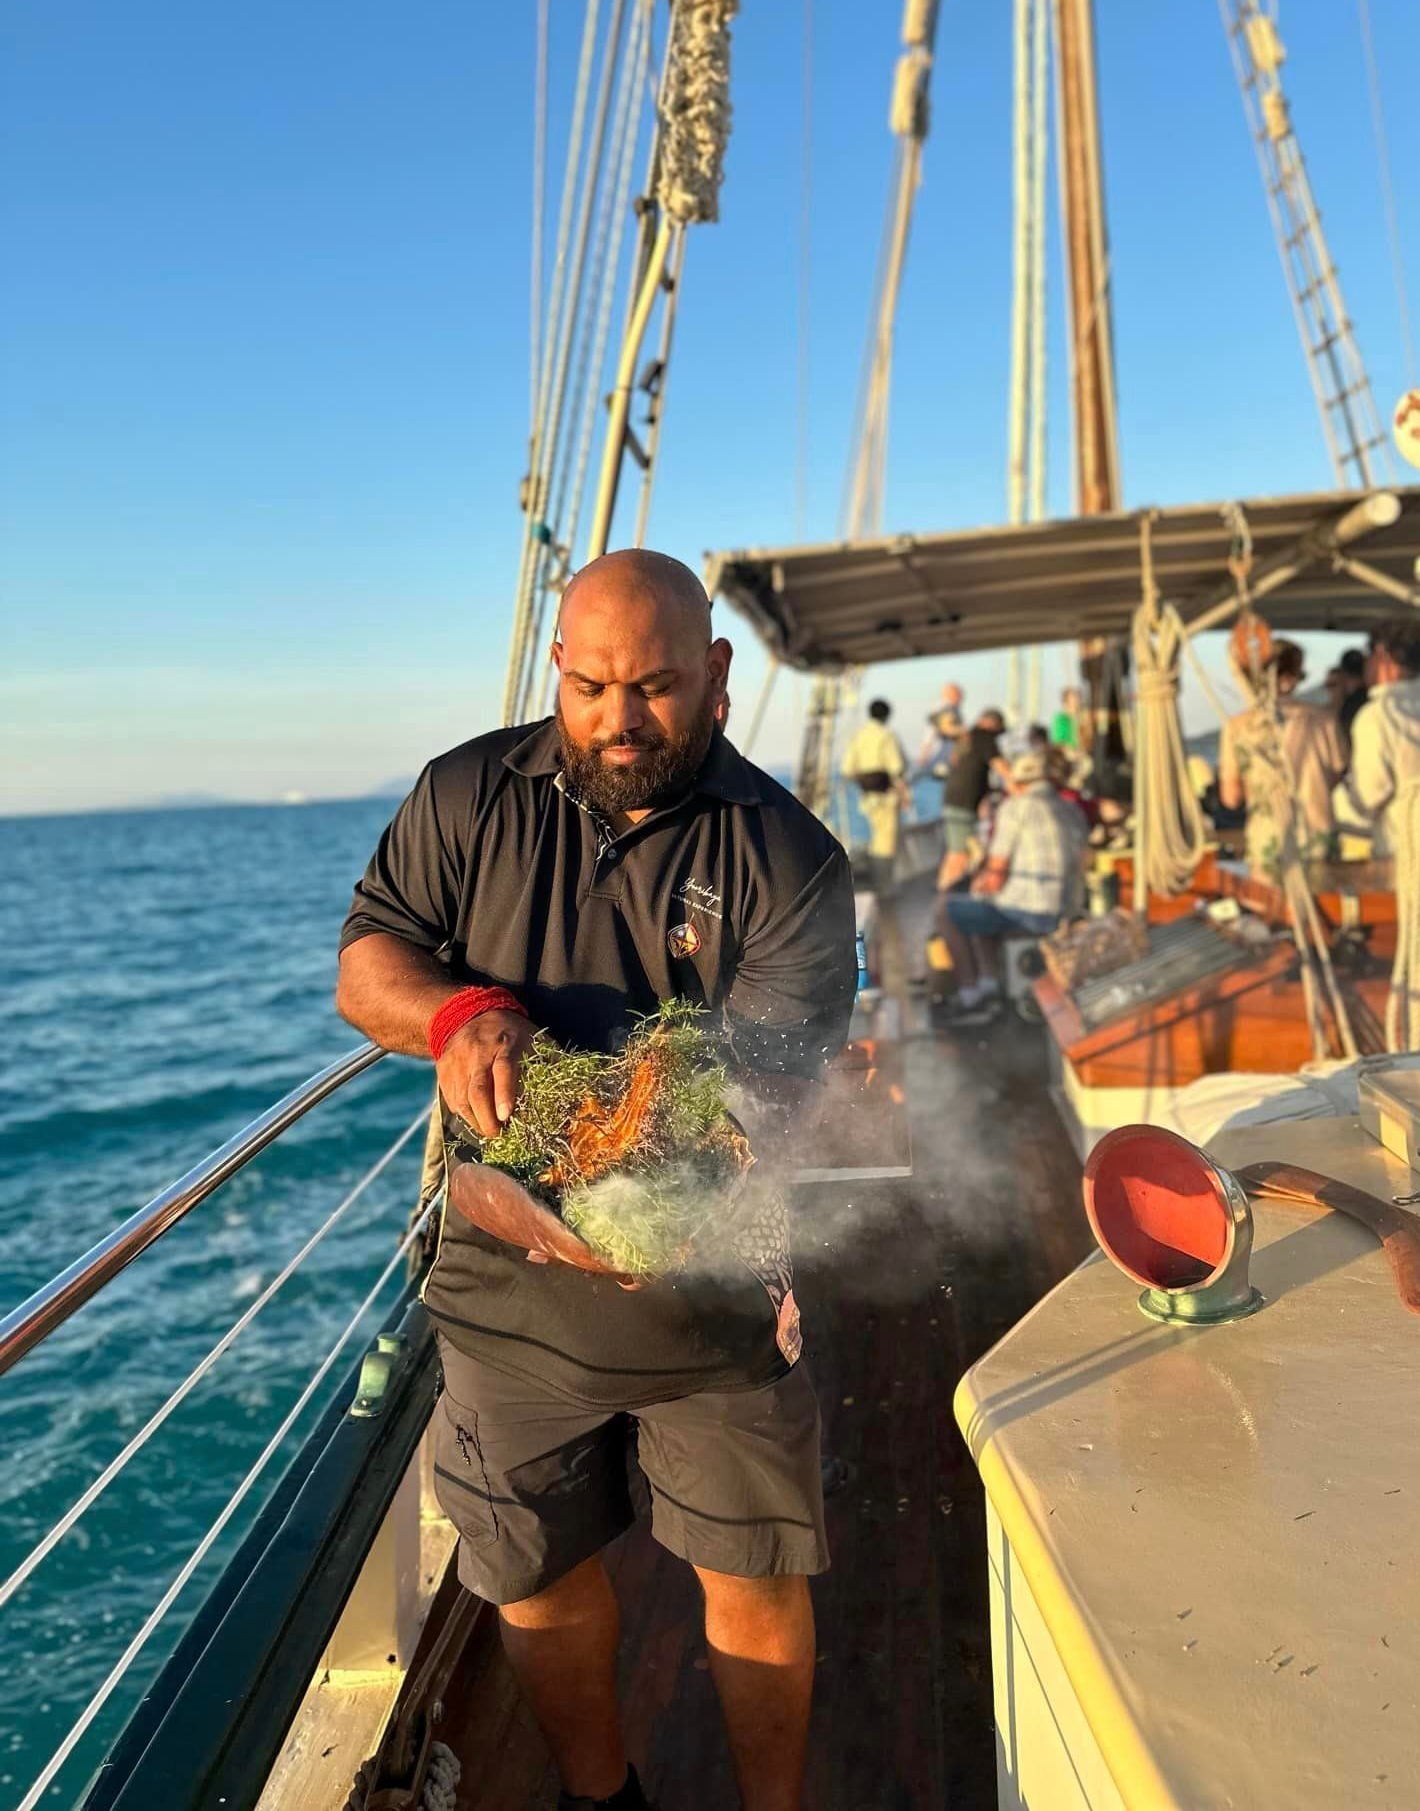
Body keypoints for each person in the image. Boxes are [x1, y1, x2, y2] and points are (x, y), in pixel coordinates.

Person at [336, 550, 856, 1811]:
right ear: (556, 669)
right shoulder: (465, 792)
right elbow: (367, 966)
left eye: (657, 687)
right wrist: (462, 1011)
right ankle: (599, 1794)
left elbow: (764, 1093)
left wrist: (615, 1189)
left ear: (719, 677)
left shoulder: (789, 856)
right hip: (506, 1300)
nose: (619, 721)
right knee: (527, 1570)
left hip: (711, 1304)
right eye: (592, 686)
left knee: (753, 1577)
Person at [937, 749, 1088, 1011]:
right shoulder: (1072, 810)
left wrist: (979, 884)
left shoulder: (1015, 808)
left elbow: (995, 877)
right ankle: (989, 984)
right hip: (1068, 912)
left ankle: (970, 994)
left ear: (1017, 783)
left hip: (1030, 914)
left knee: (945, 911)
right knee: (980, 907)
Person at [1218, 638, 1347, 881]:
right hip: (1319, 835)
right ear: (1295, 676)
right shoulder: (1325, 721)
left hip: (1268, 840)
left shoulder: (1237, 728)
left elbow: (1231, 797)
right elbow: (1336, 775)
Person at [1338, 619, 1420, 858]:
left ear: (1381, 656)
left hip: (1408, 855)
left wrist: (1332, 803)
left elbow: (1368, 795)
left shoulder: (1378, 715)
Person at [840, 698, 908, 893]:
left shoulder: (858, 735)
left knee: (878, 837)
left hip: (868, 797)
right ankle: (884, 887)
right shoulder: (886, 735)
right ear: (886, 715)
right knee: (885, 842)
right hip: (886, 796)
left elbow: (848, 768)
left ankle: (879, 883)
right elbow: (896, 768)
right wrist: (904, 795)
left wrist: (864, 783)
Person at [936, 707, 1006, 889]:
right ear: (993, 724)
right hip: (963, 805)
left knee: (957, 852)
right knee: (960, 855)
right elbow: (1003, 769)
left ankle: (944, 897)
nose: (997, 738)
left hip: (953, 801)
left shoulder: (968, 736)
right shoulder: (984, 736)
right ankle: (946, 901)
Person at [913, 681, 965, 779]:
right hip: (939, 757)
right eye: (959, 695)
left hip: (947, 757)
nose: (961, 698)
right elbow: (930, 734)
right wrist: (923, 756)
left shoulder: (953, 709)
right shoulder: (944, 708)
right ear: (951, 695)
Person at [1325, 647, 1369, 745]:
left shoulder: (1350, 706)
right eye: (1328, 685)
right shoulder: (1374, 702)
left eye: (1333, 684)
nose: (1329, 689)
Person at [1050, 685, 1084, 752]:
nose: (1078, 702)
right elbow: (1059, 743)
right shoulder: (1061, 719)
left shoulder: (1083, 719)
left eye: (1079, 698)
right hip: (1067, 756)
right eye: (1074, 699)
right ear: (1066, 702)